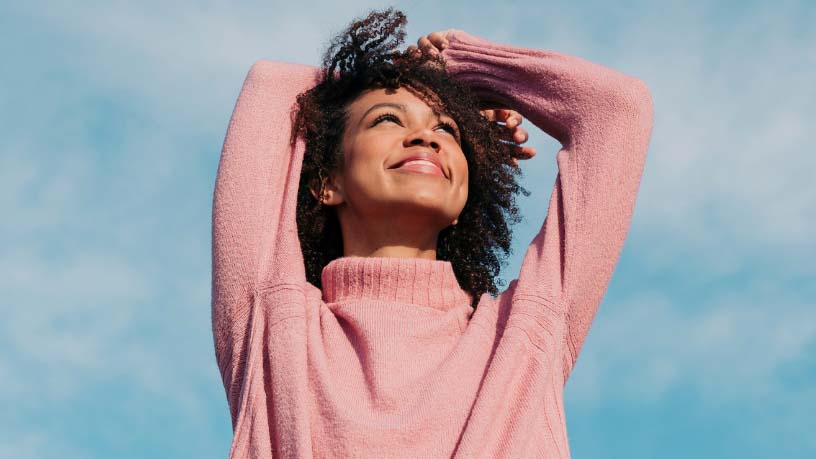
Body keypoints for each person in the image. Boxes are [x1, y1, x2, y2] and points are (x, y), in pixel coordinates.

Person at [211, 7, 653, 459]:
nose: (426, 137)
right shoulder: (272, 324)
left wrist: (466, 67)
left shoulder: (522, 336)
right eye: (387, 119)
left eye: (447, 128)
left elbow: (617, 109)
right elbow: (272, 86)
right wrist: (403, 74)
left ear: (464, 198)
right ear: (329, 183)